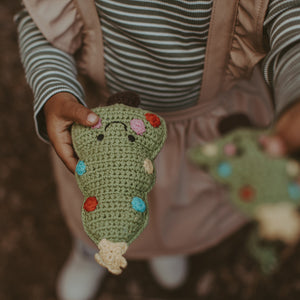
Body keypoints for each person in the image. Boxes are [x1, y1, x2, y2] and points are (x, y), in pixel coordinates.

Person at [15, 0, 300, 300]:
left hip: (201, 131)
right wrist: (56, 88)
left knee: (180, 214)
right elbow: (42, 27)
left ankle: (166, 246)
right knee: (102, 202)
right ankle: (91, 249)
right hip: (107, 132)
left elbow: (287, 16)